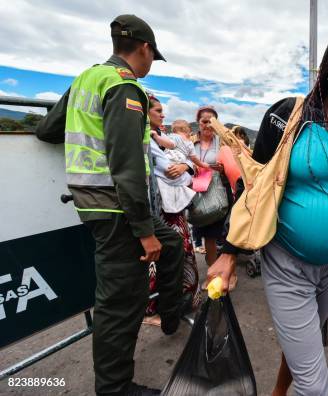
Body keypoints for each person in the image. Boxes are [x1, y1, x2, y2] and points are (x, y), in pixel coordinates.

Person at [205, 21, 328, 396]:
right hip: (288, 263)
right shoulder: (289, 115)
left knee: (302, 347)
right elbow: (253, 186)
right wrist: (228, 252)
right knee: (315, 386)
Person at [35, 15, 183, 395]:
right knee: (121, 304)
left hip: (97, 204)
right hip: (118, 210)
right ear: (145, 49)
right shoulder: (124, 87)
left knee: (172, 245)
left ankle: (171, 313)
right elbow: (127, 165)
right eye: (153, 57)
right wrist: (144, 232)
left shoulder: (87, 78)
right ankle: (115, 388)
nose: (151, 65)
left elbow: (47, 130)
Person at [145, 96, 202, 323]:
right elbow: (172, 173)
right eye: (157, 110)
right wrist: (185, 171)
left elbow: (189, 169)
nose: (162, 114)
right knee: (160, 257)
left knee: (181, 251)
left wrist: (186, 166)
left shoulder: (164, 138)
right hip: (157, 210)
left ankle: (184, 300)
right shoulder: (144, 139)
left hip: (173, 209)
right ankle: (161, 308)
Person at [191, 106, 232, 262]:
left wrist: (224, 168)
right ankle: (212, 271)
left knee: (212, 236)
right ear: (198, 123)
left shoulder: (223, 142)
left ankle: (215, 274)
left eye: (212, 122)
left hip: (218, 192)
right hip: (196, 194)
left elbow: (234, 166)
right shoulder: (189, 141)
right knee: (200, 231)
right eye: (204, 121)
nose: (208, 125)